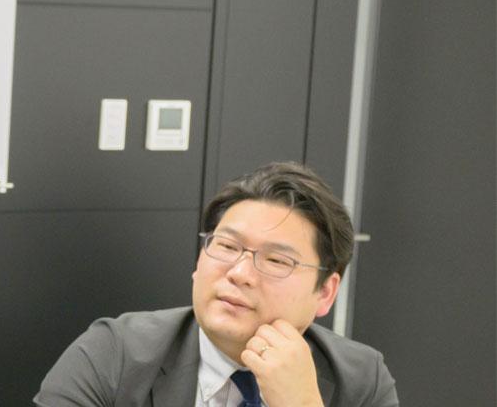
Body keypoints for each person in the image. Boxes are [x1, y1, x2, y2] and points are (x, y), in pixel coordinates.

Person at [35, 162, 397, 407]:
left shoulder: (361, 380)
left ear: (325, 292)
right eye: (226, 246)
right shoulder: (114, 354)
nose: (239, 273)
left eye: (275, 260)